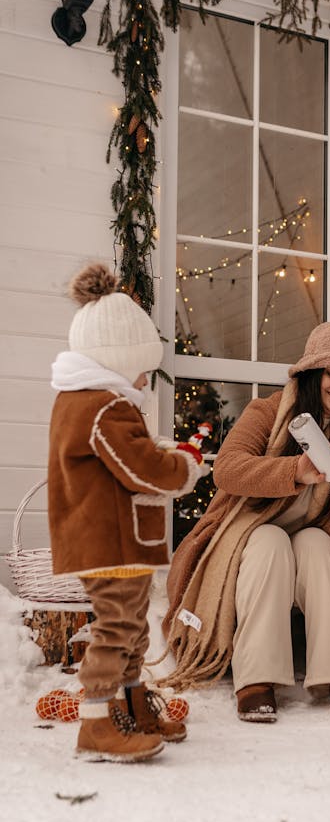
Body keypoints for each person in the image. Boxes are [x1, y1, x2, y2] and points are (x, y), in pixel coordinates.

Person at [162, 322, 330, 723]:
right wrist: (296, 469)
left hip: (308, 543)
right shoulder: (266, 412)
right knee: (269, 539)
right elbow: (227, 470)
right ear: (312, 374)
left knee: (317, 544)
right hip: (245, 534)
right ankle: (256, 679)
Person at [48, 264, 203, 762]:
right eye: (141, 368)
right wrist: (181, 467)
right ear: (118, 360)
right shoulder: (103, 406)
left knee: (133, 627)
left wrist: (160, 448)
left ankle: (132, 707)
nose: (143, 378)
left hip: (120, 542)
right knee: (117, 627)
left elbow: (125, 453)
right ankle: (96, 722)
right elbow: (139, 469)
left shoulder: (95, 404)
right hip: (109, 541)